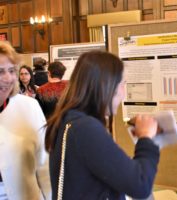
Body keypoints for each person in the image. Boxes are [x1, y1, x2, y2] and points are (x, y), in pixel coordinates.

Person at [46, 51, 160, 200]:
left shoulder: (68, 120)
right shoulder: (86, 129)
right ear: (106, 86)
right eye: (122, 84)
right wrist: (146, 139)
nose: (124, 94)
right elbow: (140, 185)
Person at [0, 41, 51, 199]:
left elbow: (45, 164)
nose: (8, 78)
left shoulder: (29, 107)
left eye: (11, 70)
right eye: (0, 71)